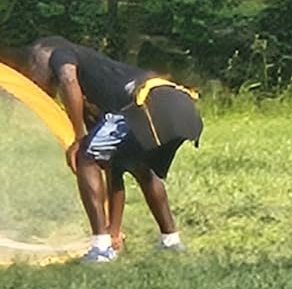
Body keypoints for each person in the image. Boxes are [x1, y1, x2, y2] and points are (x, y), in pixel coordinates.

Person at [10, 35, 203, 262]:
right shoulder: (102, 91)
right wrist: (115, 229)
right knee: (138, 167)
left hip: (147, 102)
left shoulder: (61, 53)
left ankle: (100, 249)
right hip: (179, 105)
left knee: (85, 157)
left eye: (32, 67)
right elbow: (114, 171)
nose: (33, 76)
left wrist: (79, 138)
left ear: (42, 55)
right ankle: (170, 241)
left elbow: (68, 79)